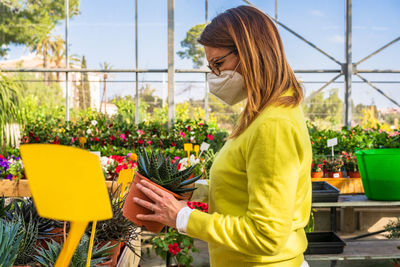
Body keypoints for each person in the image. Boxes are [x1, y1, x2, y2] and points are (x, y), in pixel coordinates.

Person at [133, 5, 312, 267]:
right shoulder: (263, 114)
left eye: (219, 63)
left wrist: (182, 217)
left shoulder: (273, 124)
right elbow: (243, 185)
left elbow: (267, 236)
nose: (216, 76)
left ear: (252, 52)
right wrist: (192, 191)